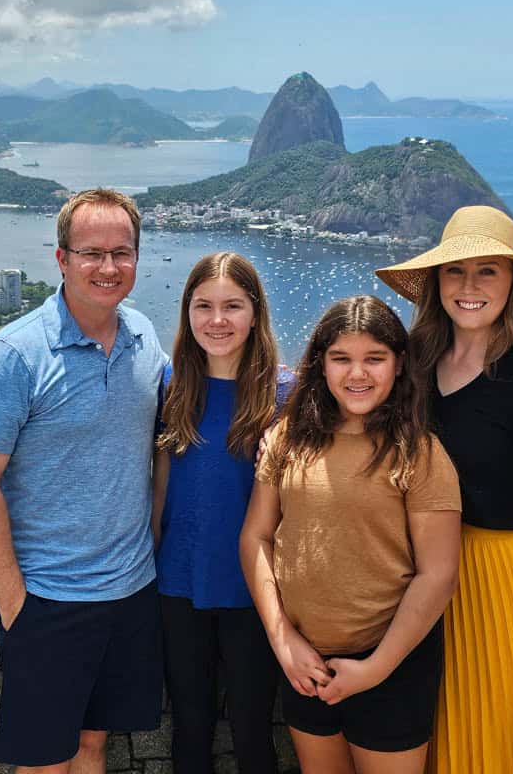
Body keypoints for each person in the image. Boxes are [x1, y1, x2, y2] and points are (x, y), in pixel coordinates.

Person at [0, 188, 167, 774]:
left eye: (121, 253)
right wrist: (16, 601)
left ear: (136, 258)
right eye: (91, 252)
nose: (107, 267)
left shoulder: (145, 339)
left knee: (93, 743)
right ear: (62, 259)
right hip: (49, 597)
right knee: (45, 760)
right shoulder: (14, 357)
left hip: (129, 591)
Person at [375, 204, 513, 773]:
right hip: (416, 583)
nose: (469, 286)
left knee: (498, 747)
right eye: (455, 271)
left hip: (500, 584)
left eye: (488, 271)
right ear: (436, 282)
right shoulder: (414, 363)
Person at [240, 295, 462, 774]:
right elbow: (256, 538)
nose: (357, 374)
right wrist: (284, 643)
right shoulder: (288, 438)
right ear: (320, 364)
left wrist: (375, 669)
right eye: (341, 358)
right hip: (305, 664)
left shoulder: (419, 452)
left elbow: (438, 574)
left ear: (399, 365)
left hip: (392, 665)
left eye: (373, 359)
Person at [152, 251, 291, 774]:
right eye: (203, 305)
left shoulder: (285, 394)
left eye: (232, 306)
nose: (217, 320)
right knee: (190, 727)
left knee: (254, 731)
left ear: (255, 314)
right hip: (179, 585)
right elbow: (162, 487)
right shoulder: (172, 387)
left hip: (256, 592)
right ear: (187, 312)